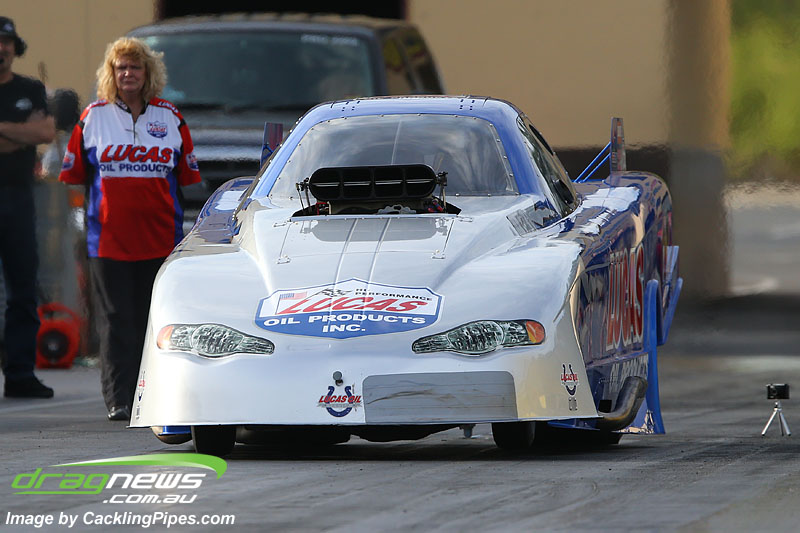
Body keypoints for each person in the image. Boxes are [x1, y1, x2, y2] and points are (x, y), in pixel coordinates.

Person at [59, 37, 201, 420]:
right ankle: (119, 399)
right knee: (116, 320)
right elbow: (73, 175)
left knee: (153, 320)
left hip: (161, 240)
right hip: (108, 242)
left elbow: (188, 177)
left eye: (134, 67)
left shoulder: (171, 118)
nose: (127, 74)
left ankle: (151, 395)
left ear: (147, 72)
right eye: (120, 67)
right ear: (110, 73)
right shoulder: (93, 117)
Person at [0, 16, 56, 398]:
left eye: (6, 42)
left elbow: (45, 132)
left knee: (23, 287)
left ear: (14, 47)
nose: (1, 48)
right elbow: (30, 132)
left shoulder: (29, 88)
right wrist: (20, 131)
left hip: (18, 197)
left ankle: (20, 374)